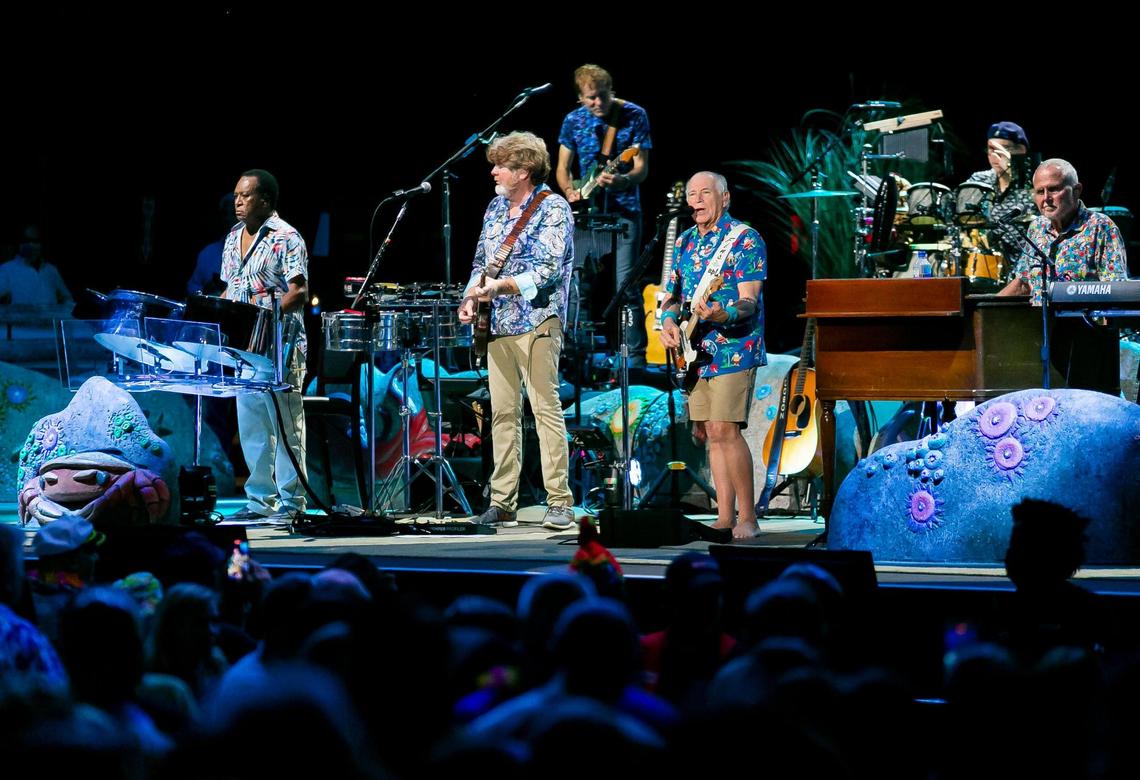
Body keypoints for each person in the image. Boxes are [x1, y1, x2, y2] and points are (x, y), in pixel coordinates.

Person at [457, 131, 577, 531]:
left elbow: (546, 270)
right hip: (498, 324)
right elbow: (481, 261)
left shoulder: (553, 208)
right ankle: (502, 501)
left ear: (523, 171)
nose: (493, 171)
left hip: (537, 319)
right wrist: (471, 296)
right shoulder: (494, 208)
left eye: (501, 166)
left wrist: (498, 287)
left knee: (545, 409)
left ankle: (559, 501)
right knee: (502, 414)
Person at [658, 172, 766, 539]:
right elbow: (671, 295)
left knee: (725, 428)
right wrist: (669, 322)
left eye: (705, 192)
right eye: (691, 194)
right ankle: (723, 517)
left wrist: (722, 314)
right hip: (694, 350)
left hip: (735, 347)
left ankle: (748, 516)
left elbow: (748, 300)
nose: (697, 199)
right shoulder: (685, 241)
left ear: (725, 197)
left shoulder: (745, 239)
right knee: (710, 431)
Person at [221, 169, 309, 523]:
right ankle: (260, 500)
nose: (237, 201)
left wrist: (262, 318)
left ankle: (292, 502)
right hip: (244, 347)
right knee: (253, 425)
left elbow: (298, 292)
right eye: (236, 195)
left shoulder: (286, 236)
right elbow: (231, 288)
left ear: (266, 201)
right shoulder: (232, 237)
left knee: (286, 424)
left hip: (280, 343)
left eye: (245, 195)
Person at [555, 64, 652, 364]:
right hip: (588, 213)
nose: (597, 103)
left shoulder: (634, 115)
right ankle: (575, 355)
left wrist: (624, 179)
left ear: (611, 92)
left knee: (626, 286)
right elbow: (562, 168)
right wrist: (569, 191)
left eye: (602, 96)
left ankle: (634, 358)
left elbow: (640, 168)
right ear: (580, 98)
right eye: (590, 98)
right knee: (577, 288)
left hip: (624, 212)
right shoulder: (572, 121)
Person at [1000, 158, 1128, 304]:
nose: (1046, 198)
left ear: (1076, 190)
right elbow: (1023, 283)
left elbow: (1116, 291)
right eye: (1040, 191)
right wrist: (985, 312)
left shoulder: (1100, 226)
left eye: (1054, 189)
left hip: (1083, 324)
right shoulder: (1036, 227)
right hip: (1038, 324)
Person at [963, 121, 1037, 264]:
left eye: (1004, 149)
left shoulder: (1034, 180)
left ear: (1021, 150)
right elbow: (958, 214)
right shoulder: (979, 179)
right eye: (991, 149)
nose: (996, 156)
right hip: (984, 263)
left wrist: (1011, 172)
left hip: (1026, 262)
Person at [0, 225, 74, 305]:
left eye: (36, 241)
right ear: (19, 244)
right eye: (27, 241)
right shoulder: (6, 270)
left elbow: (67, 298)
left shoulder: (51, 269)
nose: (31, 245)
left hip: (50, 316)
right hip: (21, 317)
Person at [187, 193, 238, 296]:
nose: (228, 219)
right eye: (225, 214)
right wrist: (203, 291)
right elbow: (193, 286)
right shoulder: (208, 253)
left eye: (233, 214)